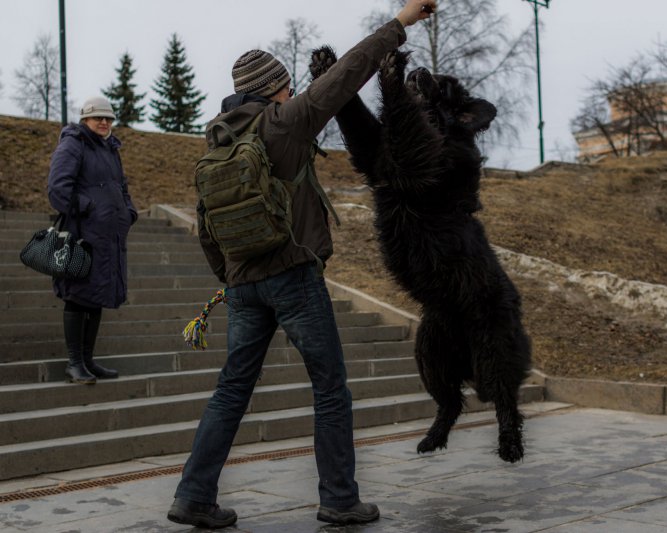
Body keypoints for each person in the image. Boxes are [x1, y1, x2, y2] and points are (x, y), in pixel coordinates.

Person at [166, 0, 437, 528]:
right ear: (274, 89)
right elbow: (350, 69)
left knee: (231, 390)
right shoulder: (286, 122)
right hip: (292, 275)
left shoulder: (219, 137)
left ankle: (193, 496)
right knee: (329, 387)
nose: (291, 93)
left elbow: (206, 220)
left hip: (243, 283)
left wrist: (232, 278)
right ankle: (339, 498)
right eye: (286, 86)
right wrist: (401, 22)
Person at [47, 96, 138, 385]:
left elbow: (121, 187)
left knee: (96, 296)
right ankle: (75, 363)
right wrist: (90, 209)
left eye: (108, 118)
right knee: (77, 297)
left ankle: (88, 360)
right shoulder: (74, 144)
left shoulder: (110, 149)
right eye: (98, 117)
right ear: (85, 119)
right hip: (81, 235)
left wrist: (128, 212)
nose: (104, 122)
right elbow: (57, 188)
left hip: (108, 238)